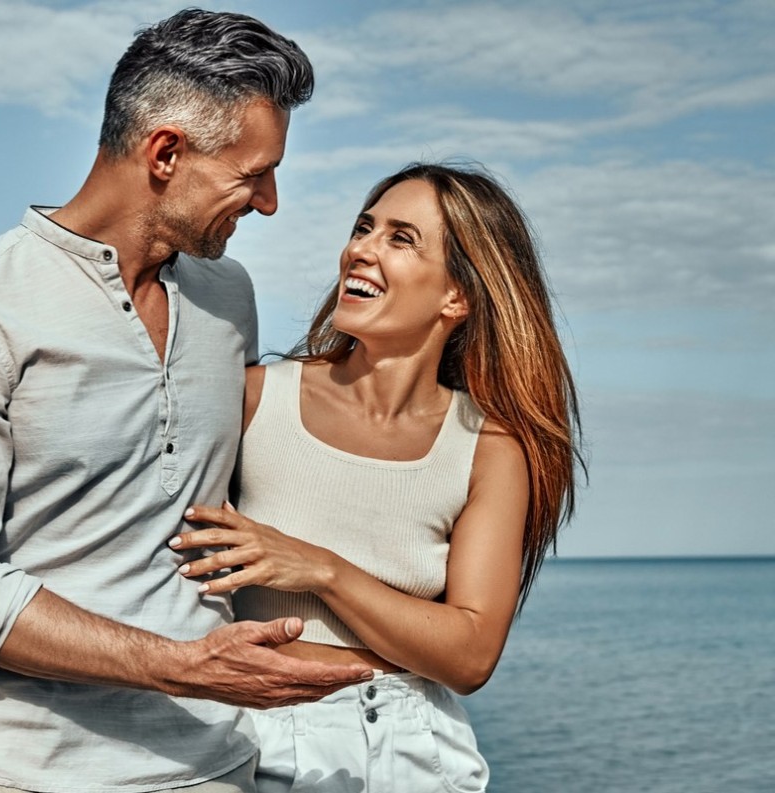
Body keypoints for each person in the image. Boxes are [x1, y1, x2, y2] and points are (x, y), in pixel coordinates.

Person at [0, 9, 374, 793]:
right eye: (253, 174)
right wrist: (181, 667)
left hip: (212, 765)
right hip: (12, 771)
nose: (270, 201)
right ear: (166, 153)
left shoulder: (227, 296)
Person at [173, 163, 584, 792]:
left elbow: (470, 654)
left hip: (418, 747)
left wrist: (321, 569)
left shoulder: (489, 446)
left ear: (458, 297)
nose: (361, 250)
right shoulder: (256, 398)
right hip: (262, 735)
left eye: (401, 238)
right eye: (365, 228)